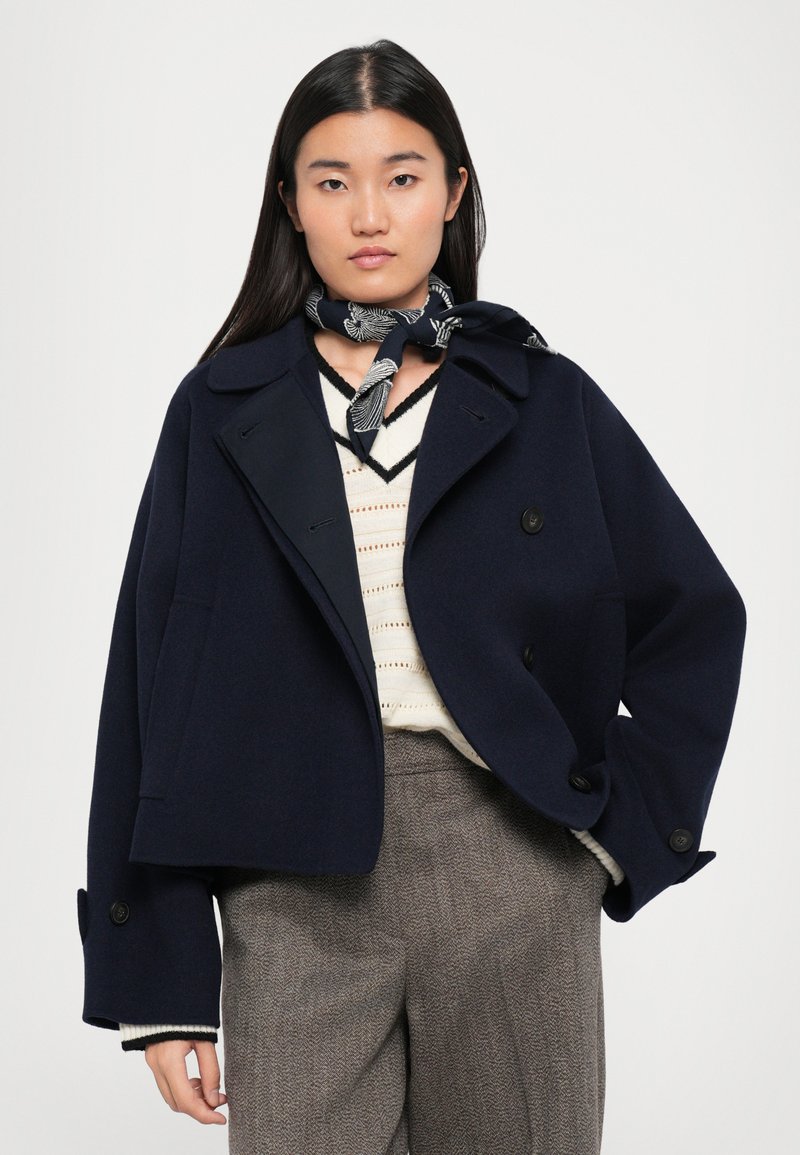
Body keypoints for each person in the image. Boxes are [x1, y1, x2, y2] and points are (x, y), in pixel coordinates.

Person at [76, 38, 747, 1154]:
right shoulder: (219, 410)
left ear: (453, 192)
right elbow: (148, 692)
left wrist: (615, 830)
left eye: (401, 176)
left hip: (510, 861)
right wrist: (157, 974)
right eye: (331, 181)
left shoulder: (543, 400)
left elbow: (693, 616)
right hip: (287, 877)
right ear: (289, 202)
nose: (369, 214)